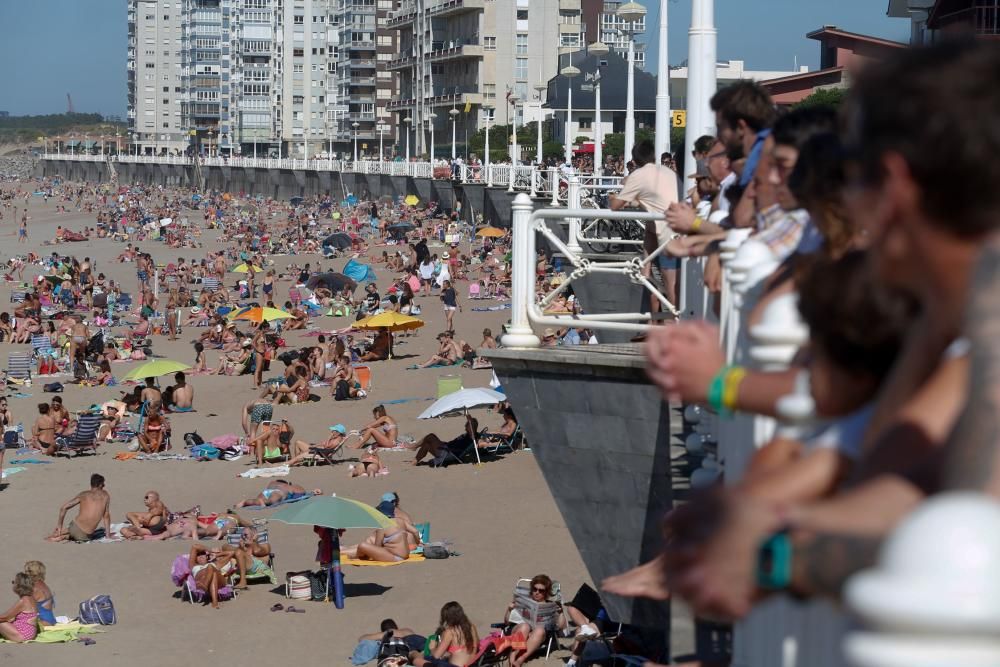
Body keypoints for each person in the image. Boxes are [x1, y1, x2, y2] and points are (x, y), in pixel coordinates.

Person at [609, 140, 681, 311]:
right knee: (650, 230)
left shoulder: (638, 175)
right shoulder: (667, 171)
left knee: (671, 283)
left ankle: (678, 322)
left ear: (634, 161)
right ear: (654, 156)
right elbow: (652, 200)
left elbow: (615, 206)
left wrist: (612, 197)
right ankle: (646, 269)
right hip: (679, 226)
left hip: (668, 234)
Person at [506, 574, 567, 667]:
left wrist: (561, 612)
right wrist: (509, 610)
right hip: (518, 631)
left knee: (539, 630)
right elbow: (506, 622)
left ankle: (520, 659)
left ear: (546, 592)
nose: (537, 592)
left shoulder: (551, 605)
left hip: (536, 636)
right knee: (525, 626)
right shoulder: (522, 600)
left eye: (541, 590)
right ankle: (513, 655)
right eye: (535, 589)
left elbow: (561, 627)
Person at [408, 601, 479, 667]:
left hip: (452, 665)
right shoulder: (471, 626)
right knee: (419, 642)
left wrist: (432, 648)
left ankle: (410, 651)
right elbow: (475, 646)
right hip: (470, 663)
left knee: (416, 648)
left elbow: (436, 656)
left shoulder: (450, 632)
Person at [47, 473, 111, 543]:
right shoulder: (105, 495)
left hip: (73, 527)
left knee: (73, 529)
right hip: (85, 536)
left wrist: (59, 525)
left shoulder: (83, 494)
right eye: (103, 484)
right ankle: (64, 536)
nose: (104, 486)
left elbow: (63, 508)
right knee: (82, 535)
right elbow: (106, 516)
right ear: (100, 485)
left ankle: (59, 533)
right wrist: (108, 535)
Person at [187, 543, 246, 608]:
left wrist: (216, 555)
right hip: (202, 578)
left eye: (203, 554)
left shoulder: (216, 563)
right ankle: (215, 603)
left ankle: (205, 585)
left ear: (207, 556)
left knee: (210, 566)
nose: (201, 556)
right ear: (195, 558)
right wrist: (209, 551)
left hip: (219, 582)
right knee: (214, 574)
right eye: (198, 555)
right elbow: (194, 546)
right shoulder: (193, 565)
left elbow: (232, 553)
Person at [411, 415, 479, 466]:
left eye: (467, 426)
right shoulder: (468, 435)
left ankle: (415, 446)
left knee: (431, 436)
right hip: (446, 447)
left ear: (471, 428)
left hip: (448, 452)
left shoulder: (472, 437)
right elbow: (471, 426)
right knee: (427, 444)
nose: (465, 428)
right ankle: (415, 461)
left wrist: (470, 420)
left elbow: (472, 427)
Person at [0, 573, 38, 642]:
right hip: (30, 633)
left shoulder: (23, 601)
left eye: (13, 582)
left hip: (23, 635)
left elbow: (5, 617)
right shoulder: (31, 598)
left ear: (18, 585)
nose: (13, 584)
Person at [236, 480, 321, 508]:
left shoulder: (273, 483)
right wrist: (312, 492)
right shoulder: (290, 486)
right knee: (270, 501)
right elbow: (302, 493)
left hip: (266, 491)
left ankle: (245, 502)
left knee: (257, 500)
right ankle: (263, 502)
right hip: (278, 492)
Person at [23, 561, 55, 627]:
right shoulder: (43, 585)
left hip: (43, 622)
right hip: (50, 619)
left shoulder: (34, 588)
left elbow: (25, 608)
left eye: (26, 571)